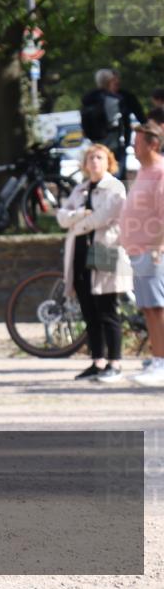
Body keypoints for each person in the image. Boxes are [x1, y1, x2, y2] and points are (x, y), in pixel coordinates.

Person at [56, 144, 131, 383]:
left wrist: (78, 220)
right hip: (79, 253)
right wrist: (79, 216)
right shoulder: (80, 188)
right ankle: (97, 359)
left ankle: (115, 362)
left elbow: (104, 217)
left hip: (104, 250)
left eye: (99, 157)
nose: (94, 162)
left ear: (108, 161)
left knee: (107, 308)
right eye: (90, 158)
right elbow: (61, 217)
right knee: (88, 310)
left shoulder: (115, 188)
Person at [119, 114, 164, 387]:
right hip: (139, 250)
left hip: (152, 250)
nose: (133, 147)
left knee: (157, 307)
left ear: (153, 144)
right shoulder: (145, 172)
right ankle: (157, 358)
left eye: (137, 142)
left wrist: (158, 246)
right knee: (148, 307)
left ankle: (162, 360)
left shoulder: (160, 173)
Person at [81, 69, 146, 179]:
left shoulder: (88, 98)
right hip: (115, 143)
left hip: (95, 141)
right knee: (116, 173)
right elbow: (118, 121)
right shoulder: (116, 99)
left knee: (98, 172)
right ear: (109, 81)